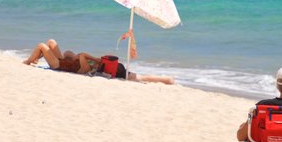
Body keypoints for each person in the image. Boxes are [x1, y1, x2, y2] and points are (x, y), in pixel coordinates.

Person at [23, 38, 174, 84]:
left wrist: (95, 59)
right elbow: (78, 56)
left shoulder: (87, 69)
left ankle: (29, 61)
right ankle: (167, 79)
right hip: (64, 62)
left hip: (59, 66)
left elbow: (82, 56)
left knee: (42, 45)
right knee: (51, 41)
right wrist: (76, 56)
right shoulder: (94, 66)